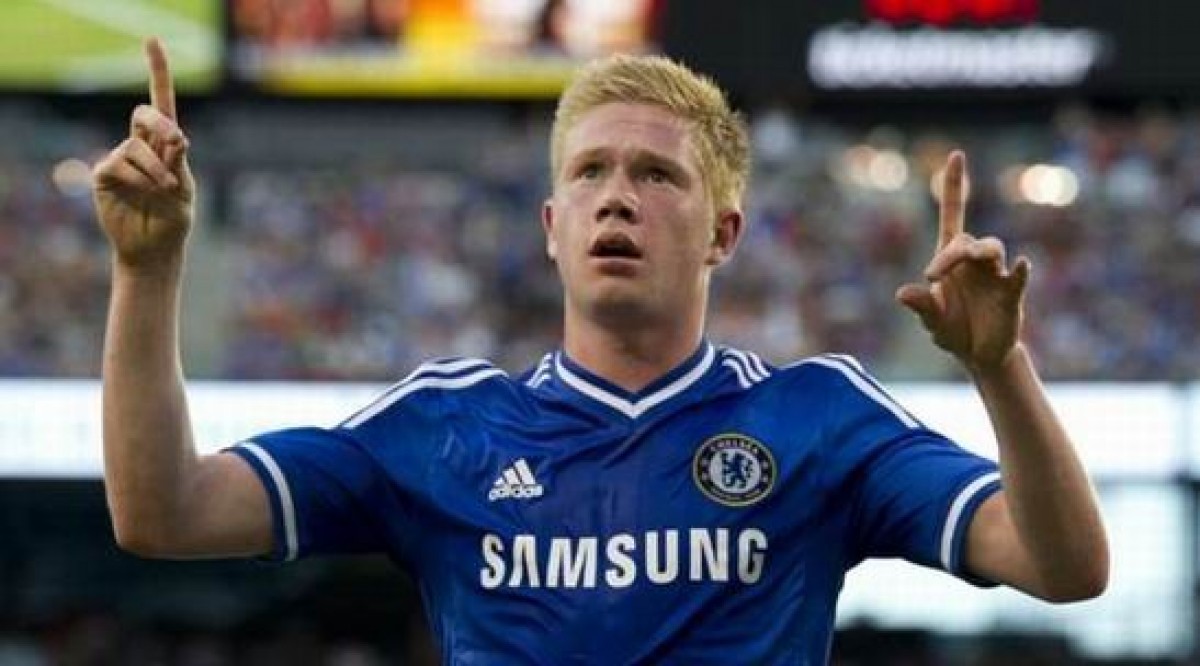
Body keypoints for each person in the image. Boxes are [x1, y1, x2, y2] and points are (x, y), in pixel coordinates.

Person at [94, 38, 1108, 664]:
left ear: (722, 234)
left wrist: (1000, 370)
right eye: (589, 172)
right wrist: (146, 270)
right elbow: (162, 512)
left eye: (656, 176)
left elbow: (1063, 567)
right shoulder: (444, 428)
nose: (617, 197)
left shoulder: (819, 419)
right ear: (551, 225)